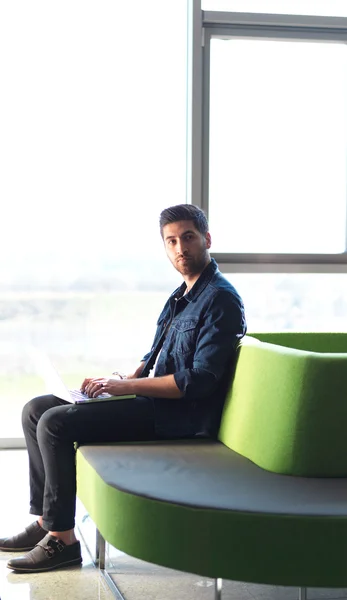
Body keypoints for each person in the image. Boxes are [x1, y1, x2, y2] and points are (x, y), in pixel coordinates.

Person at [0, 204, 246, 573]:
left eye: (189, 238)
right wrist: (112, 382)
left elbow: (198, 381)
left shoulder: (221, 299)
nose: (181, 248)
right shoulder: (182, 296)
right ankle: (45, 522)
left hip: (179, 418)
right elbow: (155, 358)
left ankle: (63, 541)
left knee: (54, 423)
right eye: (172, 241)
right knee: (35, 409)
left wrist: (125, 386)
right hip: (153, 401)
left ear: (207, 239)